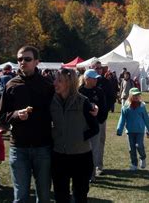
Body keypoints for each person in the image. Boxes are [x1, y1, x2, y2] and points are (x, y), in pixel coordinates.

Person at [0, 45, 55, 203]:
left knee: (43, 196)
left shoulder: (47, 85)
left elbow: (58, 112)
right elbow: (0, 116)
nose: (23, 62)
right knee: (20, 196)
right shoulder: (11, 85)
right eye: (20, 59)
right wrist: (15, 115)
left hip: (42, 146)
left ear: (37, 62)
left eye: (27, 59)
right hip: (19, 147)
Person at [50, 68, 99, 203]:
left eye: (59, 81)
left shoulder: (83, 101)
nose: (55, 83)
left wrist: (78, 138)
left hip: (81, 157)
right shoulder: (51, 101)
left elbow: (95, 128)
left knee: (80, 196)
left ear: (69, 83)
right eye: (55, 80)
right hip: (59, 156)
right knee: (61, 196)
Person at [78, 69, 107, 180]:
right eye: (93, 78)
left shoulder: (99, 91)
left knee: (94, 149)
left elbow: (104, 107)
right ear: (87, 79)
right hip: (82, 125)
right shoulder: (79, 91)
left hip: (95, 125)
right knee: (81, 149)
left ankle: (91, 174)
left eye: (96, 78)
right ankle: (81, 172)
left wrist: (99, 119)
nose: (96, 80)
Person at [116, 88, 149, 170]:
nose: (136, 97)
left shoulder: (142, 106)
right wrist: (119, 129)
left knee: (139, 145)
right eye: (134, 95)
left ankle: (143, 158)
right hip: (130, 131)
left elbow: (146, 119)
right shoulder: (126, 107)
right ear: (130, 96)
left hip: (140, 130)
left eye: (138, 95)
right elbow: (122, 119)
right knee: (131, 148)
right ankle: (134, 164)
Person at [90, 60, 114, 176]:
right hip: (87, 118)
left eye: (100, 68)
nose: (98, 70)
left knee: (100, 141)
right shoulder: (85, 82)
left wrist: (104, 110)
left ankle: (99, 165)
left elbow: (111, 97)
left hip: (101, 117)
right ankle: (89, 167)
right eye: (96, 68)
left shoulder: (105, 82)